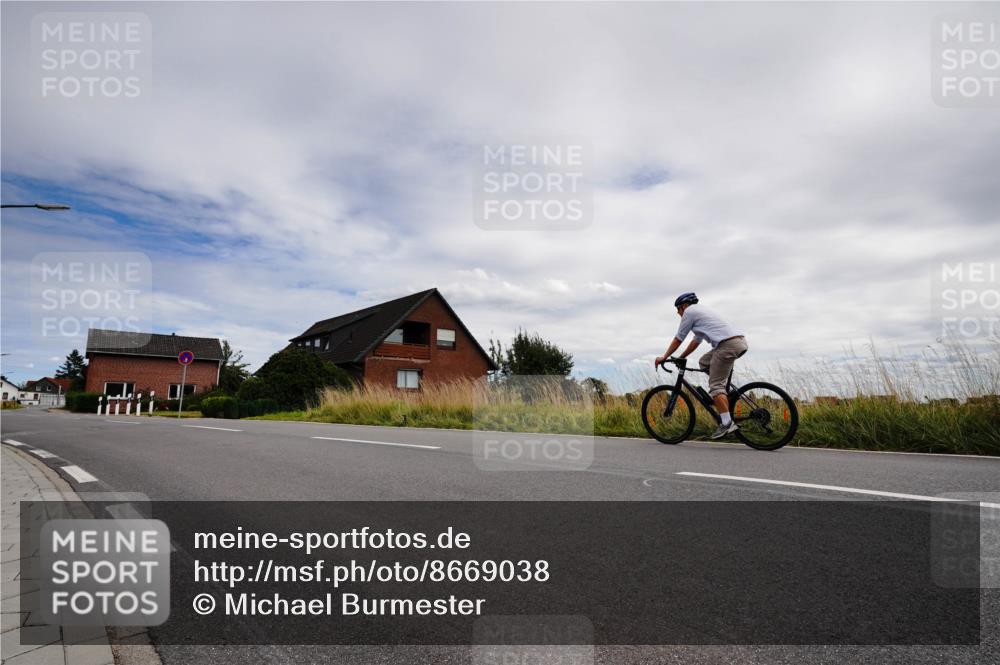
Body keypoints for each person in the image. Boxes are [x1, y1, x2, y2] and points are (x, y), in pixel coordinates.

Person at [654, 292, 748, 439]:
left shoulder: (690, 312)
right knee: (704, 362)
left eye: (678, 310)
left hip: (727, 345)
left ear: (683, 306)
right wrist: (681, 357)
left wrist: (664, 357)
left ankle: (726, 423)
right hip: (738, 342)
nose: (678, 313)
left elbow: (679, 338)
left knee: (715, 386)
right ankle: (725, 393)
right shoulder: (701, 313)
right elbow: (695, 341)